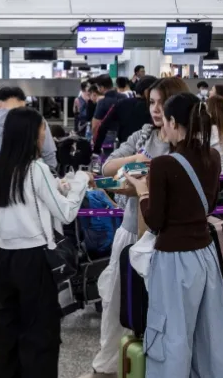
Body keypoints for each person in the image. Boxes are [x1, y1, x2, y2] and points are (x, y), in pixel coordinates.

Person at [125, 92, 223, 378]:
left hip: (173, 260)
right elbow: (210, 205)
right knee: (208, 334)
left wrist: (142, 190)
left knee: (171, 334)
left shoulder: (164, 164)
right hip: (205, 256)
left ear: (172, 122)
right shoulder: (212, 157)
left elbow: (155, 220)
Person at [91, 76, 186, 375]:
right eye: (152, 102)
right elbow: (107, 167)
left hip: (167, 239)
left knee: (162, 309)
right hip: (132, 231)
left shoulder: (187, 144)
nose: (155, 109)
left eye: (162, 103)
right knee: (119, 303)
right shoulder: (143, 136)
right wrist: (137, 158)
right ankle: (114, 362)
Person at [0, 107, 89, 378]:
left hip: (3, 259)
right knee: (40, 335)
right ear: (31, 135)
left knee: (7, 335)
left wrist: (56, 187)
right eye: (42, 129)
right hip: (34, 260)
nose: (45, 134)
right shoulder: (37, 169)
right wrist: (80, 182)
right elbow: (66, 213)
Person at [94, 76, 157, 155]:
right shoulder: (153, 108)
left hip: (124, 150)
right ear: (147, 92)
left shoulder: (121, 103)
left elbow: (103, 126)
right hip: (149, 152)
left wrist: (96, 149)